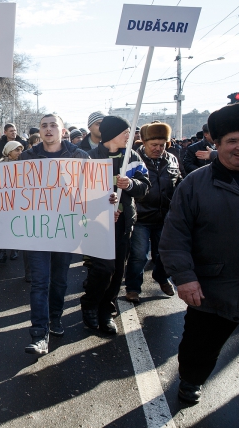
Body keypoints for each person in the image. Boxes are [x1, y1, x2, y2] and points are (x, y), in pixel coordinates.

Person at [160, 103, 239, 404]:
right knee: (199, 348)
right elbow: (175, 235)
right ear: (216, 144)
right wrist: (184, 277)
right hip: (211, 290)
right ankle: (190, 381)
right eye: (232, 140)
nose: (238, 147)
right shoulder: (195, 183)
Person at [20, 114, 89, 355]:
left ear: (62, 130)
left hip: (65, 228)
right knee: (40, 282)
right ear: (39, 130)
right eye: (44, 125)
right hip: (37, 229)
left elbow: (92, 190)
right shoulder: (27, 157)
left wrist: (107, 198)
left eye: (53, 125)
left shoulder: (79, 156)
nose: (48, 130)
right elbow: (13, 190)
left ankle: (55, 317)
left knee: (59, 280)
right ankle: (39, 333)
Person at [81, 116, 149, 335]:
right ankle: (90, 303)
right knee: (103, 268)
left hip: (124, 223)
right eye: (125, 132)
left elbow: (145, 187)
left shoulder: (133, 157)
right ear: (111, 134)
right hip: (96, 223)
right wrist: (102, 205)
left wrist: (130, 184)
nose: (130, 136)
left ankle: (105, 310)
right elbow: (77, 193)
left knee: (118, 270)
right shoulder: (88, 158)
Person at [125, 122, 181, 303]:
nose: (158, 149)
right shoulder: (133, 159)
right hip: (141, 217)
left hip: (165, 216)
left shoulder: (172, 160)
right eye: (154, 145)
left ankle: (162, 277)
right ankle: (133, 288)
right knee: (139, 256)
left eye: (162, 145)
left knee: (165, 254)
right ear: (144, 143)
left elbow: (179, 183)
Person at [0, 140, 23, 264]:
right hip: (3, 201)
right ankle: (2, 251)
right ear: (9, 151)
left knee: (16, 224)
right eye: (17, 150)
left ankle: (15, 249)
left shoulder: (24, 165)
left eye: (21, 150)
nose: (20, 152)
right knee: (2, 225)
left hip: (19, 200)